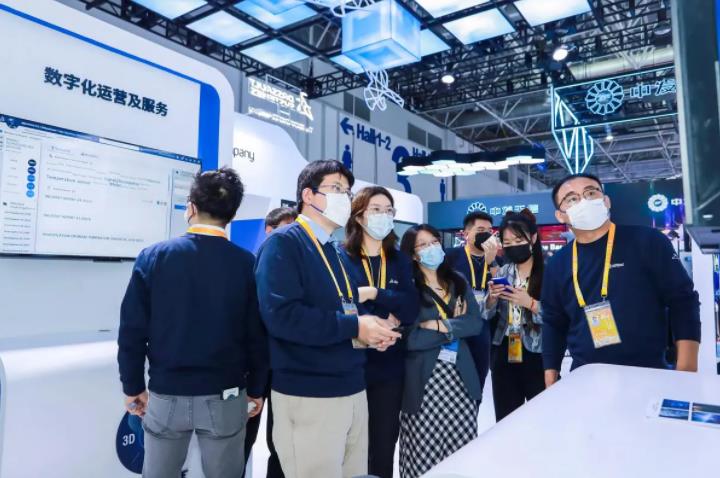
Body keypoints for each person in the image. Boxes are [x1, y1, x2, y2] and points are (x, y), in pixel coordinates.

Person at [118, 167, 268, 478]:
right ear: (232, 214)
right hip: (226, 395)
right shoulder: (245, 263)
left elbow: (132, 330)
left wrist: (133, 386)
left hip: (166, 393)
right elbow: (257, 335)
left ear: (191, 207)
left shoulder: (154, 256)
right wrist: (256, 389)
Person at [255, 160, 400, 478]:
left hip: (351, 387)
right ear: (308, 195)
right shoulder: (284, 243)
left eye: (347, 192)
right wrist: (356, 326)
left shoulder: (334, 250)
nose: (344, 198)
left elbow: (343, 310)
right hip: (310, 393)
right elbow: (282, 316)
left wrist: (368, 331)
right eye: (336, 189)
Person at [542, 173, 701, 387]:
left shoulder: (648, 241)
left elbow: (683, 301)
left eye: (591, 193)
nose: (584, 202)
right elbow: (554, 321)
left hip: (649, 373)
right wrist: (550, 376)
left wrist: (687, 369)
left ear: (606, 201)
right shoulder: (558, 263)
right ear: (560, 215)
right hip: (586, 378)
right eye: (572, 199)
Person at [339, 186, 419, 478]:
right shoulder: (341, 258)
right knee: (350, 448)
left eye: (389, 210)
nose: (384, 215)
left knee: (384, 447)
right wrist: (377, 320)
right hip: (351, 365)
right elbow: (342, 303)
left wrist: (373, 293)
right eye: (376, 209)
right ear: (359, 216)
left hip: (389, 366)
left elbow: (410, 308)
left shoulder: (400, 260)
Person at [398, 225, 485, 478]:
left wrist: (439, 325)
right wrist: (455, 327)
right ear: (413, 254)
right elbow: (410, 338)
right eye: (423, 244)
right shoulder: (408, 287)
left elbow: (475, 323)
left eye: (434, 242)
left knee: (462, 455)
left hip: (461, 381)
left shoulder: (457, 281)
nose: (432, 248)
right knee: (424, 456)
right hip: (424, 383)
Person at [243, 207, 298, 478]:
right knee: (244, 438)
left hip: (284, 368)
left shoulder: (296, 273)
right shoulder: (248, 266)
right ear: (268, 230)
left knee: (281, 442)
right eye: (284, 229)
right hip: (252, 367)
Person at [485, 210, 545, 421]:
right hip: (505, 351)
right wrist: (492, 299)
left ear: (533, 238)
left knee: (542, 417)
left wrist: (531, 303)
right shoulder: (503, 272)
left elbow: (559, 315)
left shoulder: (549, 272)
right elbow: (487, 313)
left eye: (518, 240)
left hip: (538, 353)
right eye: (507, 242)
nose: (513, 246)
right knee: (506, 418)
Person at [446, 211, 502, 395]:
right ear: (466, 233)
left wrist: (492, 261)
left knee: (477, 380)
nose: (486, 234)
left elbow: (503, 289)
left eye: (489, 231)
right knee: (451, 382)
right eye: (480, 230)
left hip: (482, 327)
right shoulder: (450, 257)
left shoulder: (497, 261)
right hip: (455, 325)